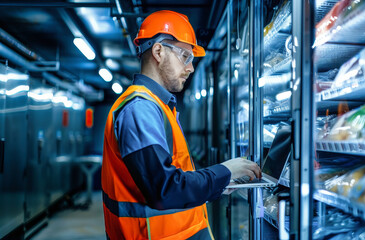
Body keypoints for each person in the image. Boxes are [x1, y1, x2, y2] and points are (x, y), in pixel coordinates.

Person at [101, 10, 261, 240]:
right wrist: (224, 171)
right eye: (185, 56)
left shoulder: (160, 106)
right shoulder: (140, 109)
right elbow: (164, 189)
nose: (191, 67)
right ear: (158, 51)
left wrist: (218, 185)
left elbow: (174, 177)